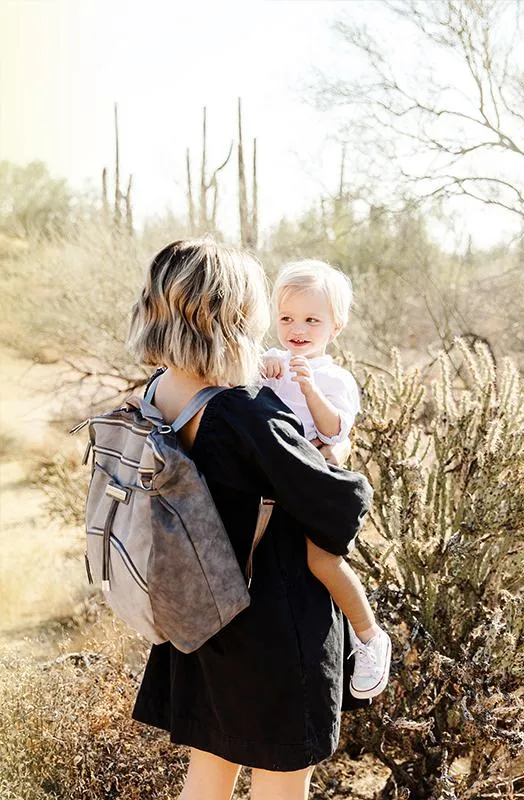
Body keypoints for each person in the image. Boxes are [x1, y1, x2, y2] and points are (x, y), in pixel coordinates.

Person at [127, 238, 373, 800]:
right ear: (233, 312)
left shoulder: (160, 390)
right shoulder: (243, 410)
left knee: (207, 778)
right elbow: (339, 503)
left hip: (200, 613)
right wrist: (340, 451)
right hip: (274, 621)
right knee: (281, 786)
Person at [260, 260, 391, 700]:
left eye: (312, 319)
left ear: (336, 326)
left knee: (322, 561)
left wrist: (310, 389)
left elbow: (335, 432)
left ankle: (369, 637)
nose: (298, 328)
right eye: (287, 318)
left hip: (314, 486)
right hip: (276, 490)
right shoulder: (271, 363)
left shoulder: (335, 378)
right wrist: (263, 369)